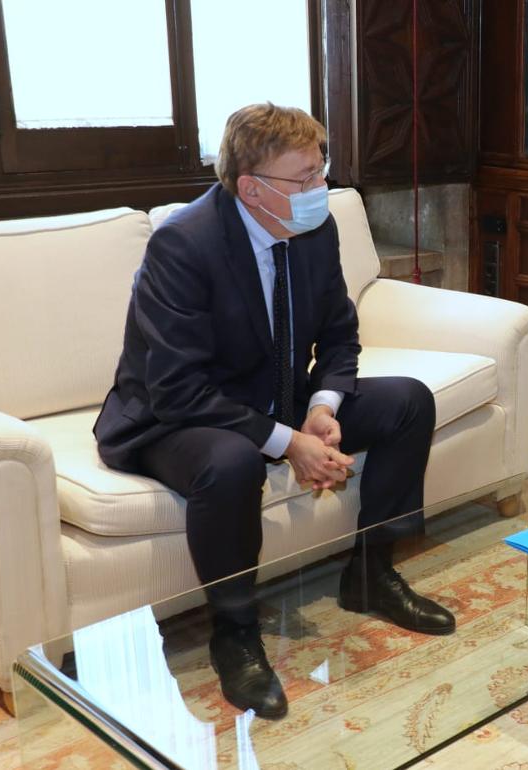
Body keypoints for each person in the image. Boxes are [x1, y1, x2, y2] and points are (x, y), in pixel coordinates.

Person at [94, 103, 454, 720]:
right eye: (306, 178)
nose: (323, 189)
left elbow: (340, 334)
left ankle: (371, 571)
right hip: (170, 415)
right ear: (251, 188)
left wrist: (322, 407)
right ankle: (233, 630)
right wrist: (287, 442)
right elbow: (177, 387)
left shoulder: (317, 227)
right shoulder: (183, 245)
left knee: (408, 402)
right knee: (233, 462)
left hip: (275, 399)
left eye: (323, 171)